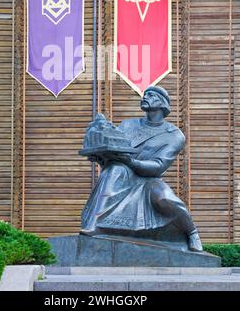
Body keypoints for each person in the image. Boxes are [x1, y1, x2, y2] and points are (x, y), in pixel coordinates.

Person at [81, 86, 203, 252]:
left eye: (151, 95)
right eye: (145, 94)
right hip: (124, 173)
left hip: (149, 179)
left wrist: (130, 162)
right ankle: (95, 224)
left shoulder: (174, 135)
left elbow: (159, 166)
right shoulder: (128, 125)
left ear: (162, 103)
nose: (145, 96)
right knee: (114, 170)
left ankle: (191, 232)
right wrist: (101, 157)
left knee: (165, 198)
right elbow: (115, 149)